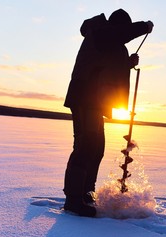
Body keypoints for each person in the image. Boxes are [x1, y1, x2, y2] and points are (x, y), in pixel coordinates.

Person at [63, 9, 154, 217]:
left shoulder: (108, 41)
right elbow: (117, 36)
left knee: (96, 149)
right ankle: (74, 200)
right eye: (123, 29)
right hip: (85, 98)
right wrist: (144, 26)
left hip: (95, 103)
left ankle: (86, 192)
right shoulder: (100, 32)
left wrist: (128, 63)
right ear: (117, 27)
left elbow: (109, 66)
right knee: (85, 147)